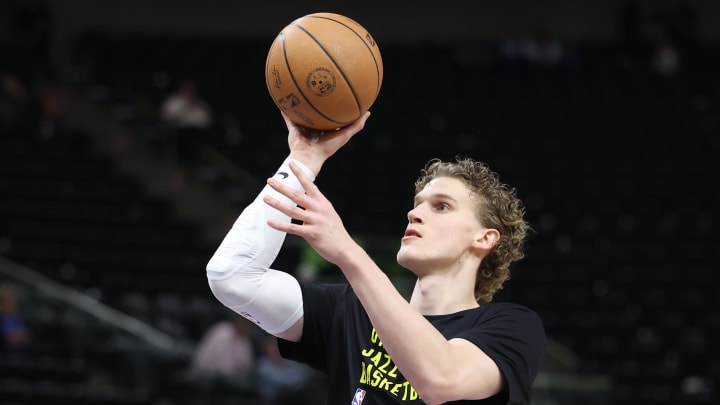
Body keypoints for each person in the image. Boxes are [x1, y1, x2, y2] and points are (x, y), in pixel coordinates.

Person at [206, 111, 546, 404]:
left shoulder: (512, 327)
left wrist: (349, 254)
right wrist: (304, 159)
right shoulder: (351, 310)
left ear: (484, 238)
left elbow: (441, 379)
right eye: (417, 205)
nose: (415, 215)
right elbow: (232, 276)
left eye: (441, 206)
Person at [0, 283, 31, 352]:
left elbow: (26, 337)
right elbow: (10, 339)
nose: (12, 304)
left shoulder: (16, 318)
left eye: (13, 301)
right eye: (8, 301)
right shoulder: (2, 319)